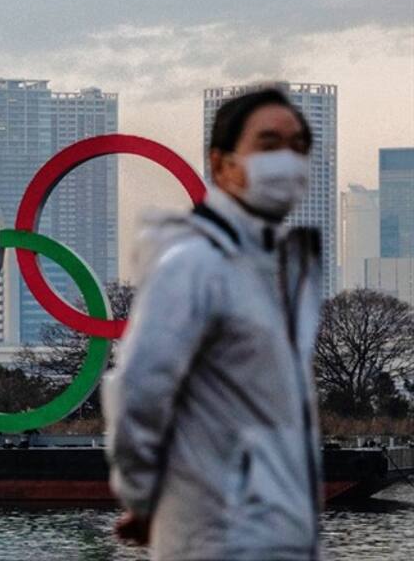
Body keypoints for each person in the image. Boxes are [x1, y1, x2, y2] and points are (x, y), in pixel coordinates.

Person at [102, 88, 323, 560]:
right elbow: (138, 389)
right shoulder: (192, 265)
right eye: (268, 145)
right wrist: (145, 499)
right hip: (217, 539)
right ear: (221, 165)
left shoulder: (276, 273)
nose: (288, 160)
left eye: (299, 146)